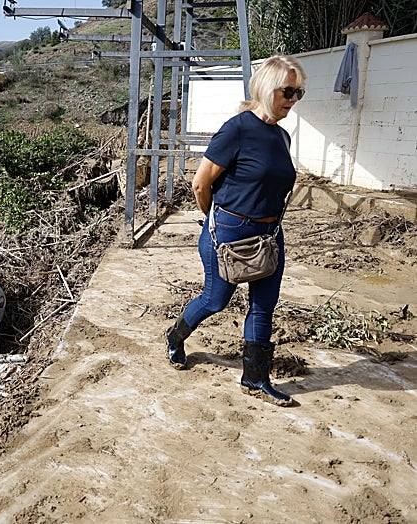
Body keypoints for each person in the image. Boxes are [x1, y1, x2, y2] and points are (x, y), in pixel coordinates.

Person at [165, 55, 306, 407]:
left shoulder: (282, 137)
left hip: (270, 235)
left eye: (298, 93)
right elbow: (201, 185)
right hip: (228, 233)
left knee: (263, 306)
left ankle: (255, 378)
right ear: (265, 87)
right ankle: (175, 336)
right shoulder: (237, 129)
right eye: (286, 91)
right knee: (216, 300)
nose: (292, 99)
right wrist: (218, 224)